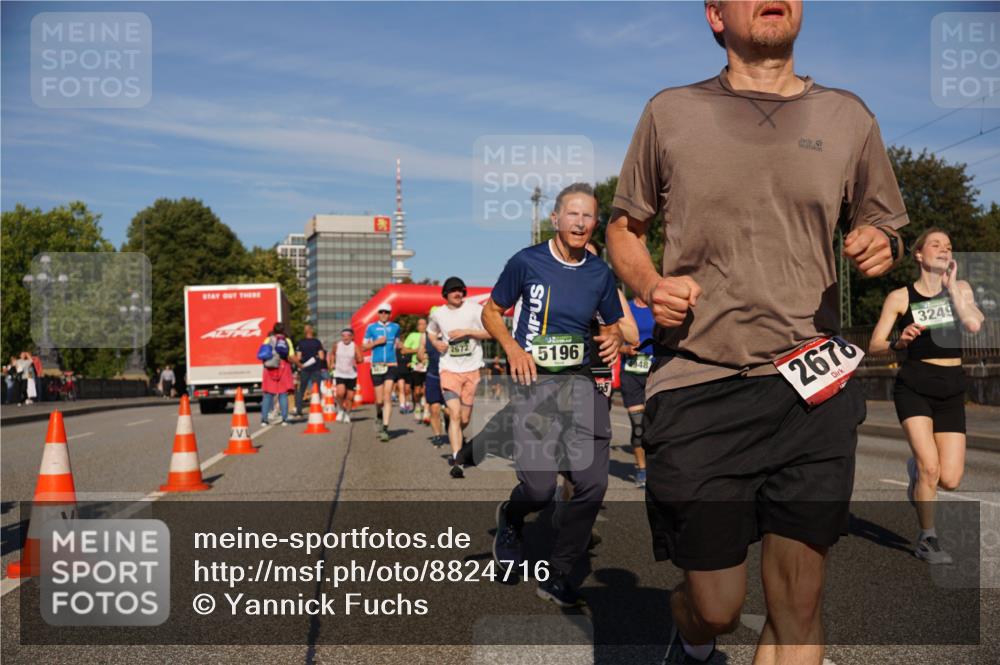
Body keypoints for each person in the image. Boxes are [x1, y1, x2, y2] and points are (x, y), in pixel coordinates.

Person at [605, 2, 908, 662]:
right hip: (699, 382)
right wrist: (651, 285)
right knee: (715, 607)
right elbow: (624, 229)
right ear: (715, 15)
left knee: (798, 605)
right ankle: (689, 629)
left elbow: (886, 224)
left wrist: (883, 244)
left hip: (812, 384)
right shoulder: (670, 112)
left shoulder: (848, 116)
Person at [483, 182, 624, 608]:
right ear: (556, 218)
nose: (580, 223)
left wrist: (614, 338)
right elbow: (491, 312)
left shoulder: (600, 273)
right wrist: (513, 349)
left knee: (592, 483)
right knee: (540, 489)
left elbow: (611, 325)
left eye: (588, 216)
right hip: (535, 385)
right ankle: (512, 516)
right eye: (573, 214)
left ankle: (559, 575)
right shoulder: (526, 262)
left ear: (595, 223)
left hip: (581, 383)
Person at [869, 228, 983, 565]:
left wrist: (953, 289)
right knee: (930, 467)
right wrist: (899, 341)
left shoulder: (961, 290)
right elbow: (874, 345)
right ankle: (927, 539)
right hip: (915, 385)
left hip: (952, 388)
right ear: (919, 254)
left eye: (949, 246)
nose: (945, 249)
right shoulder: (900, 297)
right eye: (936, 244)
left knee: (950, 479)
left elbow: (973, 325)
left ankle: (917, 474)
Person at [428, 277, 492, 479]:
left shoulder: (474, 310)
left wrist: (467, 332)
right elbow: (431, 332)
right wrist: (436, 343)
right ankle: (458, 461)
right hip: (448, 369)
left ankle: (455, 430)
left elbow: (491, 332)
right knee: (455, 414)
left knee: (464, 418)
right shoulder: (438, 314)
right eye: (453, 290)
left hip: (472, 370)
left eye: (460, 290)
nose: (457, 293)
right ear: (445, 294)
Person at [620, 294, 655, 488]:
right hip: (631, 374)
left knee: (656, 425)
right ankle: (642, 469)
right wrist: (624, 350)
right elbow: (611, 338)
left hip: (655, 373)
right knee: (638, 426)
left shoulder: (658, 307)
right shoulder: (626, 309)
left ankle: (657, 466)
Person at [363, 304, 402, 441]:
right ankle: (379, 415)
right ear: (378, 313)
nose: (384, 314)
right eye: (381, 312)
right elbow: (363, 347)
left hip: (391, 365)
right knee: (379, 401)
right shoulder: (371, 327)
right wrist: (376, 342)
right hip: (376, 366)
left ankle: (385, 428)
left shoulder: (396, 327)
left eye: (387, 312)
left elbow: (398, 343)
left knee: (387, 396)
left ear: (390, 314)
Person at [418, 309, 448, 446]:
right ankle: (437, 435)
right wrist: (422, 356)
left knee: (449, 411)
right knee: (434, 409)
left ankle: (449, 423)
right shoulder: (425, 336)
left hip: (449, 376)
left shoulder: (449, 333)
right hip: (433, 376)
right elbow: (420, 352)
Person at [260, 323, 295, 426]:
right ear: (283, 330)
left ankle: (264, 420)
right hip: (283, 367)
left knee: (268, 394)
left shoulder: (268, 339)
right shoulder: (287, 340)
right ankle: (284, 419)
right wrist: (299, 364)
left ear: (274, 330)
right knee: (283, 394)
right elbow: (291, 356)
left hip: (270, 368)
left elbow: (263, 353)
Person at [330, 328, 362, 423]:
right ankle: (340, 409)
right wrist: (332, 363)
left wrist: (358, 359)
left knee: (350, 397)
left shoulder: (354, 346)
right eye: (343, 336)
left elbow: (360, 359)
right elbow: (332, 354)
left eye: (348, 336)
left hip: (351, 374)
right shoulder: (337, 345)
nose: (345, 338)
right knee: (340, 393)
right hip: (339, 373)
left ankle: (347, 413)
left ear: (352, 337)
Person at [295, 324, 326, 417]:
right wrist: (316, 357)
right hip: (316, 368)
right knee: (316, 389)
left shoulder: (301, 342)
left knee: (302, 390)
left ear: (305, 332)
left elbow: (298, 357)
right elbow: (322, 357)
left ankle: (299, 411)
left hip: (304, 369)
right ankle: (318, 409)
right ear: (312, 331)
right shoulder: (317, 342)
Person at [402, 318, 429, 423]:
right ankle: (417, 405)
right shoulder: (412, 336)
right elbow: (403, 350)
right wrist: (417, 350)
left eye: (424, 324)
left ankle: (426, 411)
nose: (422, 326)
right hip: (416, 366)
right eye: (420, 324)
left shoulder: (430, 335)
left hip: (428, 365)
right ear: (417, 326)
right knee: (417, 391)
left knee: (426, 389)